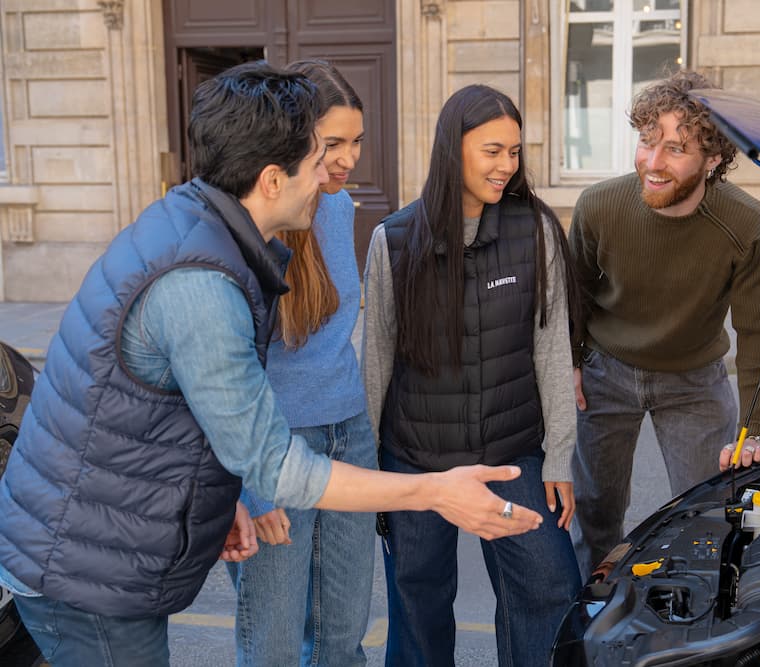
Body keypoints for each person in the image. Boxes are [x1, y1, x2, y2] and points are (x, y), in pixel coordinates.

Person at [0, 63, 541, 667]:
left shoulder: (198, 227)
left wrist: (215, 494)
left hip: (101, 552)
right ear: (273, 178)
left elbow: (178, 408)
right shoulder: (201, 286)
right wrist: (435, 493)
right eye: (319, 158)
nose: (335, 175)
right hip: (82, 570)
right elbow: (273, 462)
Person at [363, 84, 581, 666]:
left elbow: (551, 348)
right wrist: (372, 478)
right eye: (492, 151)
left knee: (550, 588)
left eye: (514, 152)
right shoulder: (394, 240)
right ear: (451, 148)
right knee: (419, 608)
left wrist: (558, 457)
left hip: (511, 454)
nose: (507, 166)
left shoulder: (534, 230)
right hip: (415, 458)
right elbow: (376, 361)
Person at [569, 69, 760, 576]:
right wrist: (570, 360)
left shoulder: (748, 225)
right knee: (595, 513)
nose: (653, 162)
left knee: (706, 514)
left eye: (676, 148)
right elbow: (571, 293)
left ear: (712, 160)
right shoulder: (598, 206)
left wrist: (755, 428)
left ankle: (693, 631)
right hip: (606, 372)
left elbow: (757, 334)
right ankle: (589, 620)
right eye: (647, 141)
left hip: (694, 381)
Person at [226, 60, 374, 667]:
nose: (348, 159)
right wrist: (251, 492)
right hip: (274, 451)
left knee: (343, 638)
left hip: (349, 436)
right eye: (332, 143)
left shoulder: (340, 209)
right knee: (276, 646)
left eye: (357, 141)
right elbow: (225, 375)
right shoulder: (249, 223)